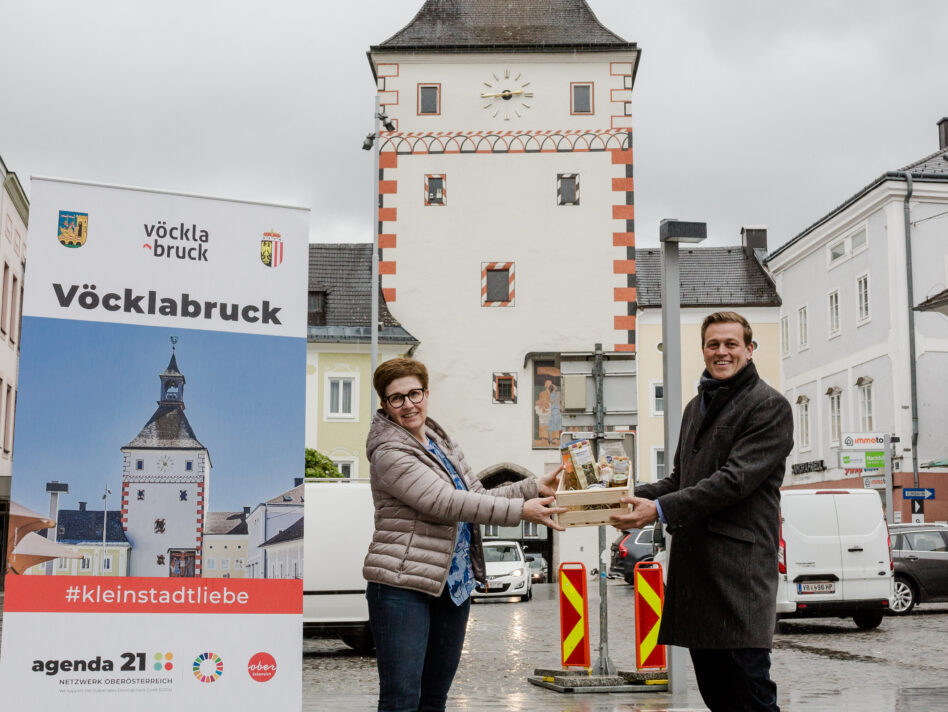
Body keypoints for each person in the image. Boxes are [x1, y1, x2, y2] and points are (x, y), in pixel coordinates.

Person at [610, 311, 793, 712]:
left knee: (751, 697)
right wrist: (616, 497)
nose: (722, 352)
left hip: (738, 582)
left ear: (749, 349)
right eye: (713, 344)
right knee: (718, 699)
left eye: (731, 344)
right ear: (704, 350)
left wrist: (656, 510)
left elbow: (733, 481)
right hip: (697, 578)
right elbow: (680, 479)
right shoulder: (697, 406)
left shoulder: (769, 407)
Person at [363, 357, 567, 712]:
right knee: (401, 700)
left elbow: (478, 496)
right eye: (397, 398)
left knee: (434, 699)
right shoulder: (388, 452)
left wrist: (532, 487)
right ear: (385, 405)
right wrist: (521, 511)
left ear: (427, 394)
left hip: (452, 585)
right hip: (402, 586)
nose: (408, 404)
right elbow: (445, 503)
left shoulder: (440, 442)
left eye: (415, 393)